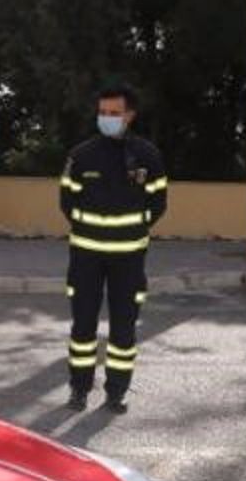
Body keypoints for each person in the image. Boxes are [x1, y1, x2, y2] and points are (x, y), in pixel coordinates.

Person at [59, 84, 168, 414]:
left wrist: (134, 227)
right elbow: (67, 200)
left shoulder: (148, 156)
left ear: (129, 115)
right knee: (83, 327)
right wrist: (88, 226)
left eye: (114, 113)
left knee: (124, 328)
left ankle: (115, 393)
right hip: (85, 257)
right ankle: (78, 389)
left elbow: (158, 202)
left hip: (129, 258)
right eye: (102, 112)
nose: (106, 118)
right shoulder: (81, 155)